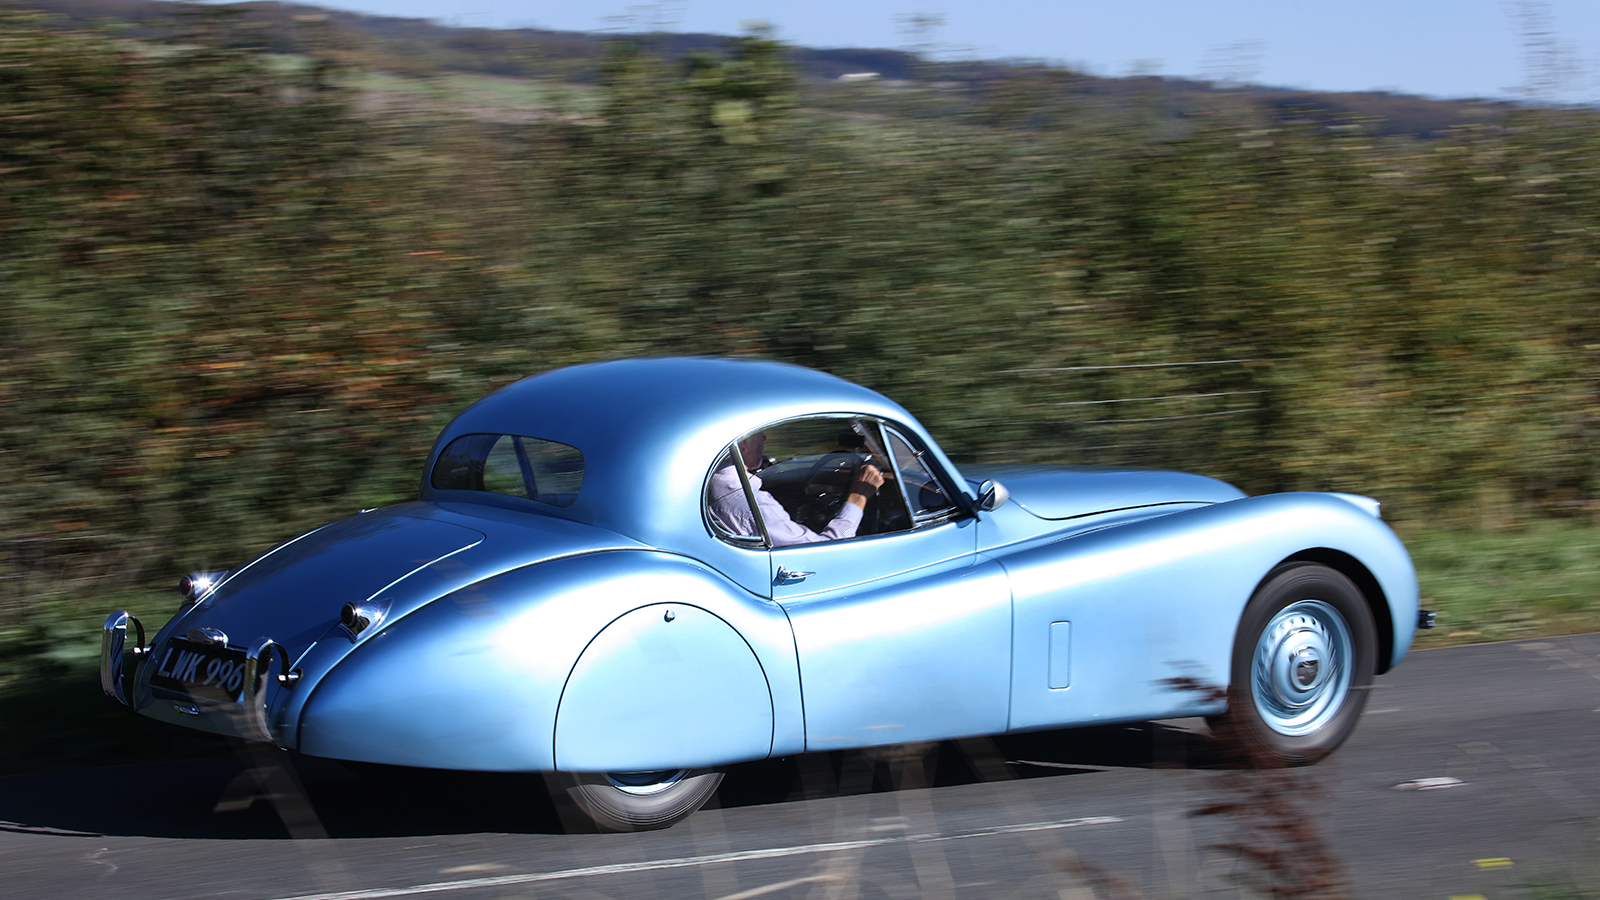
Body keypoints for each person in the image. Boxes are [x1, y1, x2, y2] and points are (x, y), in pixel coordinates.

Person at [708, 430, 886, 547]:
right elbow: (825, 552)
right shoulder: (754, 504)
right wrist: (858, 498)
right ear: (741, 446)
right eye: (758, 433)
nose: (764, 437)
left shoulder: (714, 479)